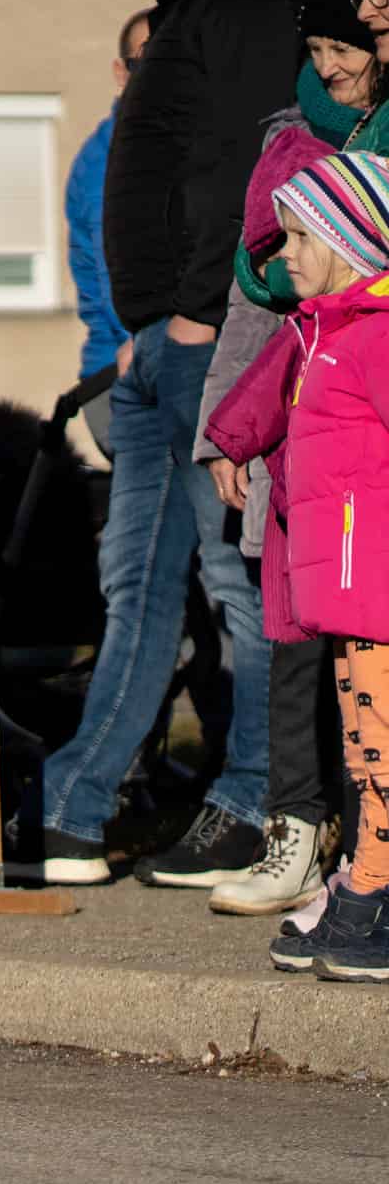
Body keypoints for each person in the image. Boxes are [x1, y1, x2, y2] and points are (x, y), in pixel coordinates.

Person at [26, 0, 305, 887]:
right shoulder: (187, 11)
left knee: (243, 585)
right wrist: (147, 330)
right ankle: (74, 806)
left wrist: (195, 313)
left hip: (210, 345)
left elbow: (248, 163)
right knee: (137, 586)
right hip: (148, 355)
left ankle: (260, 802)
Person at [187, 0, 387, 912]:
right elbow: (259, 317)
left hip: (363, 501)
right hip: (302, 474)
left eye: (345, 46)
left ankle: (360, 867)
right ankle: (300, 835)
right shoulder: (292, 142)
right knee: (296, 650)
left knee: (366, 688)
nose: (333, 65)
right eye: (318, 48)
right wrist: (226, 434)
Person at [204, 153, 389, 978]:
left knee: (383, 748)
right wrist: (234, 441)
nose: (281, 256)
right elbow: (267, 390)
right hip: (344, 591)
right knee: (363, 745)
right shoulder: (322, 332)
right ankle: (368, 883)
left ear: (351, 242)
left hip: (376, 583)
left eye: (299, 238)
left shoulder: (377, 337)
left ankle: (375, 895)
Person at [65, 11, 151, 381]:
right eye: (143, 62)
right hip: (123, 371)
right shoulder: (111, 159)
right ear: (121, 72)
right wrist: (152, 346)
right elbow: (116, 273)